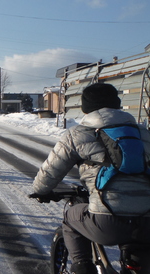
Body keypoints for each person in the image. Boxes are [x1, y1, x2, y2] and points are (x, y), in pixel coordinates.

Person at [31, 83, 150, 274]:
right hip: (146, 222)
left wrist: (40, 191)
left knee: (71, 218)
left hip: (106, 223)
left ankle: (82, 266)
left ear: (85, 107)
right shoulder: (143, 133)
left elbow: (49, 172)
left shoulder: (77, 134)